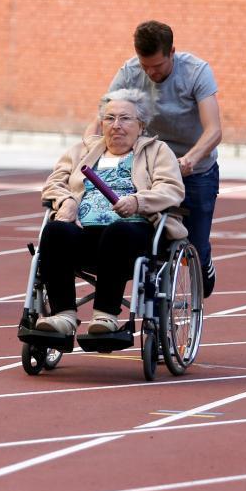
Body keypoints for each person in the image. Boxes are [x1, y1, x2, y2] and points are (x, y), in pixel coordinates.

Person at [39, 88, 186, 335]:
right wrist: (67, 201)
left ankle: (105, 316)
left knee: (118, 232)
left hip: (133, 234)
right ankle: (63, 315)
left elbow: (171, 189)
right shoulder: (81, 151)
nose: (116, 125)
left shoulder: (157, 151)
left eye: (125, 118)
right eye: (109, 118)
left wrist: (137, 202)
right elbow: (54, 183)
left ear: (141, 125)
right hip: (85, 233)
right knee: (54, 231)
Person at [97, 20, 222, 297]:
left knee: (195, 250)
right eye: (145, 66)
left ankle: (204, 258)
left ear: (172, 52)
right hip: (150, 166)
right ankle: (151, 289)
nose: (151, 73)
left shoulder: (196, 72)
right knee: (149, 237)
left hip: (194, 169)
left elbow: (214, 130)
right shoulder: (129, 71)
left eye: (158, 66)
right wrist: (89, 149)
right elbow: (103, 116)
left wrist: (190, 159)